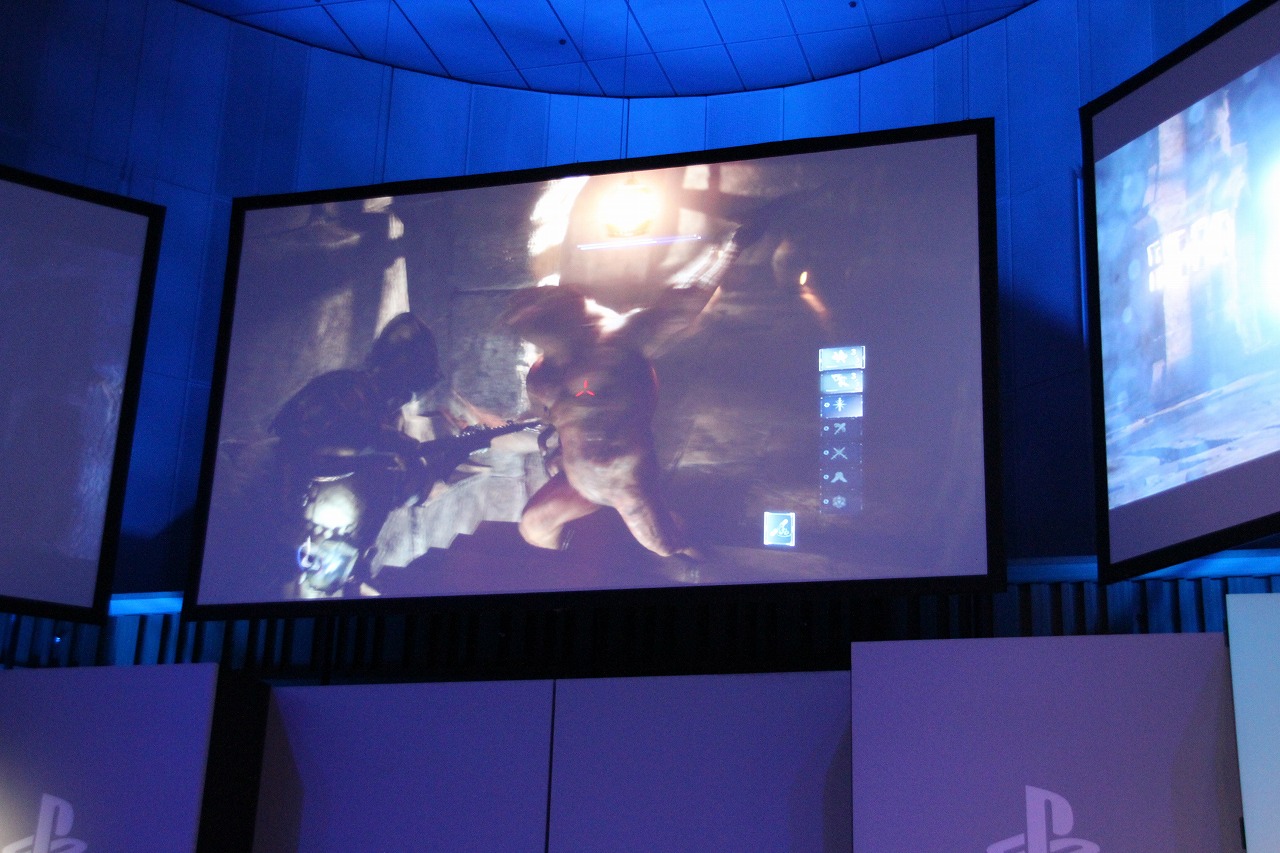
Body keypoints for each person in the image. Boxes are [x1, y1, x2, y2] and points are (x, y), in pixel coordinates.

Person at [270, 312, 457, 597]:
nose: (407, 395)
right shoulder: (351, 391)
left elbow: (370, 435)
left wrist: (402, 446)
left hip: (311, 485)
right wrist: (394, 460)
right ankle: (337, 571)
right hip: (291, 491)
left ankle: (351, 567)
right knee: (385, 471)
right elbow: (315, 451)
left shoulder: (365, 391)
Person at [502, 286, 690, 558]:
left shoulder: (617, 341)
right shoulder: (542, 373)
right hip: (578, 475)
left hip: (620, 479)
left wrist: (727, 255)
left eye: (532, 312)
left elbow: (681, 308)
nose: (522, 318)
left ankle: (695, 550)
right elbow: (549, 417)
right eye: (520, 315)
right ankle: (575, 560)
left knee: (663, 545)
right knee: (533, 527)